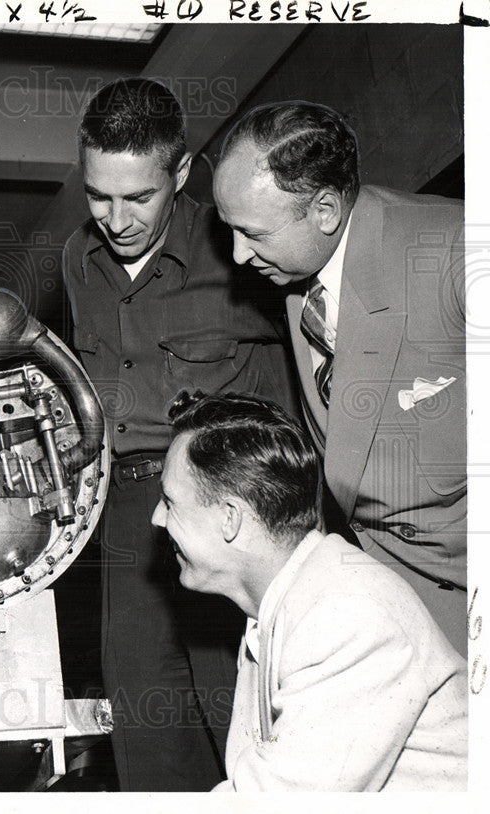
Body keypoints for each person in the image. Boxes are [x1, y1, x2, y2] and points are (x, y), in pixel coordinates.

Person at [61, 78, 298, 791]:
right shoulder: (78, 259)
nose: (116, 218)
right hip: (129, 508)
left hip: (236, 509)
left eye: (139, 197)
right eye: (99, 195)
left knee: (240, 710)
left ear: (182, 174)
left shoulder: (242, 250)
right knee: (144, 720)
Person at [212, 101, 466, 654]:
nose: (237, 255)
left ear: (325, 209)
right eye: (230, 230)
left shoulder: (455, 252)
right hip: (396, 597)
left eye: (252, 233)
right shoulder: (299, 273)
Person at [152, 391, 467, 791]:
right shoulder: (285, 600)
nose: (157, 519)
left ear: (229, 519)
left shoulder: (346, 616)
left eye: (169, 501)